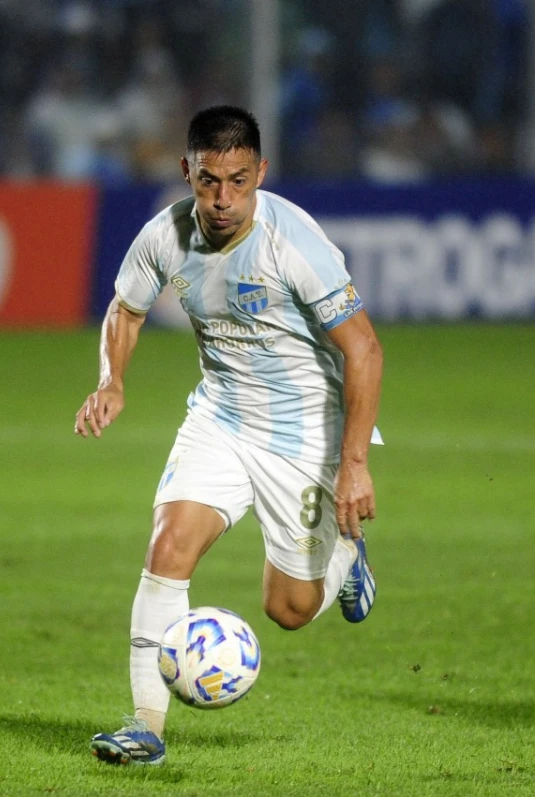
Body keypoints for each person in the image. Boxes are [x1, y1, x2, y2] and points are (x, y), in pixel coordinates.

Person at [74, 106, 384, 765]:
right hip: (219, 415)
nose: (223, 199)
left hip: (305, 435)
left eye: (239, 181)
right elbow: (126, 309)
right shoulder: (164, 235)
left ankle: (344, 562)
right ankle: (145, 727)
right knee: (169, 543)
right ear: (188, 171)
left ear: (261, 172)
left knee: (290, 608)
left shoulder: (293, 241)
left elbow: (365, 351)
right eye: (210, 180)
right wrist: (112, 380)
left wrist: (353, 463)